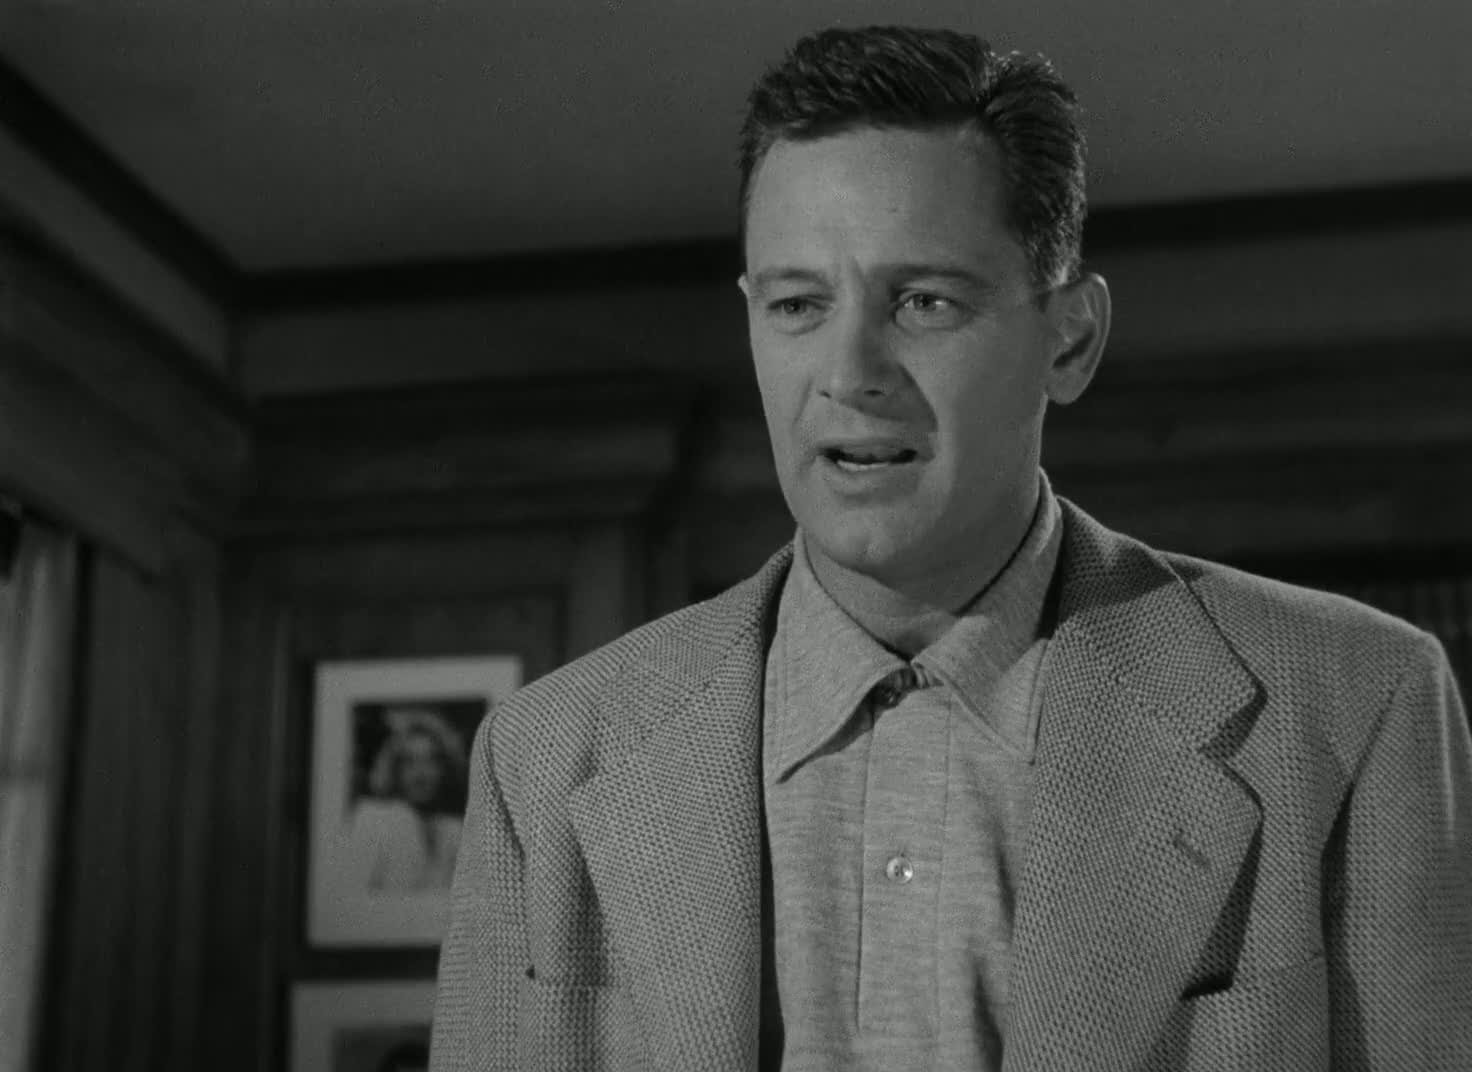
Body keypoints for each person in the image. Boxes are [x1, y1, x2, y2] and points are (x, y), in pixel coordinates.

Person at [430, 25, 1472, 1070]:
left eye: (922, 301)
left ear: (1070, 338)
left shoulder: (1352, 706)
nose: (850, 372)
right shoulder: (545, 761)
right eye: (797, 305)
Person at [345, 705, 466, 893]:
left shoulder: (454, 831)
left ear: (445, 767)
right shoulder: (373, 818)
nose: (420, 773)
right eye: (409, 761)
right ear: (395, 768)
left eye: (431, 760)